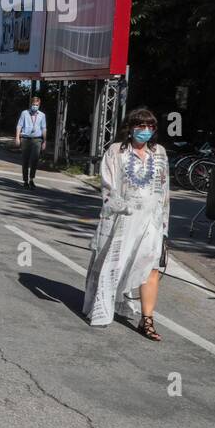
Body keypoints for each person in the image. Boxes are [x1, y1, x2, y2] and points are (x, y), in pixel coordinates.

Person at [82, 108, 169, 340]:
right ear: (129, 128)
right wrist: (125, 207)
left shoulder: (159, 152)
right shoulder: (116, 151)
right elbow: (108, 187)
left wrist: (165, 228)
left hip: (152, 220)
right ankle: (102, 306)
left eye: (150, 127)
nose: (145, 131)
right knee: (114, 264)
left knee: (150, 267)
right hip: (123, 218)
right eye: (140, 126)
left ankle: (147, 320)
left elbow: (164, 192)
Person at [15, 94, 47, 189]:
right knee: (25, 160)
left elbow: (44, 128)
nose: (35, 106)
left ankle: (31, 179)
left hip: (37, 139)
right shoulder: (24, 113)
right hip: (25, 139)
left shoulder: (42, 115)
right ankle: (25, 180)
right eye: (34, 104)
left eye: (37, 105)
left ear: (39, 105)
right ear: (31, 104)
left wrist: (45, 141)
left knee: (34, 160)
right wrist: (17, 137)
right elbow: (19, 125)